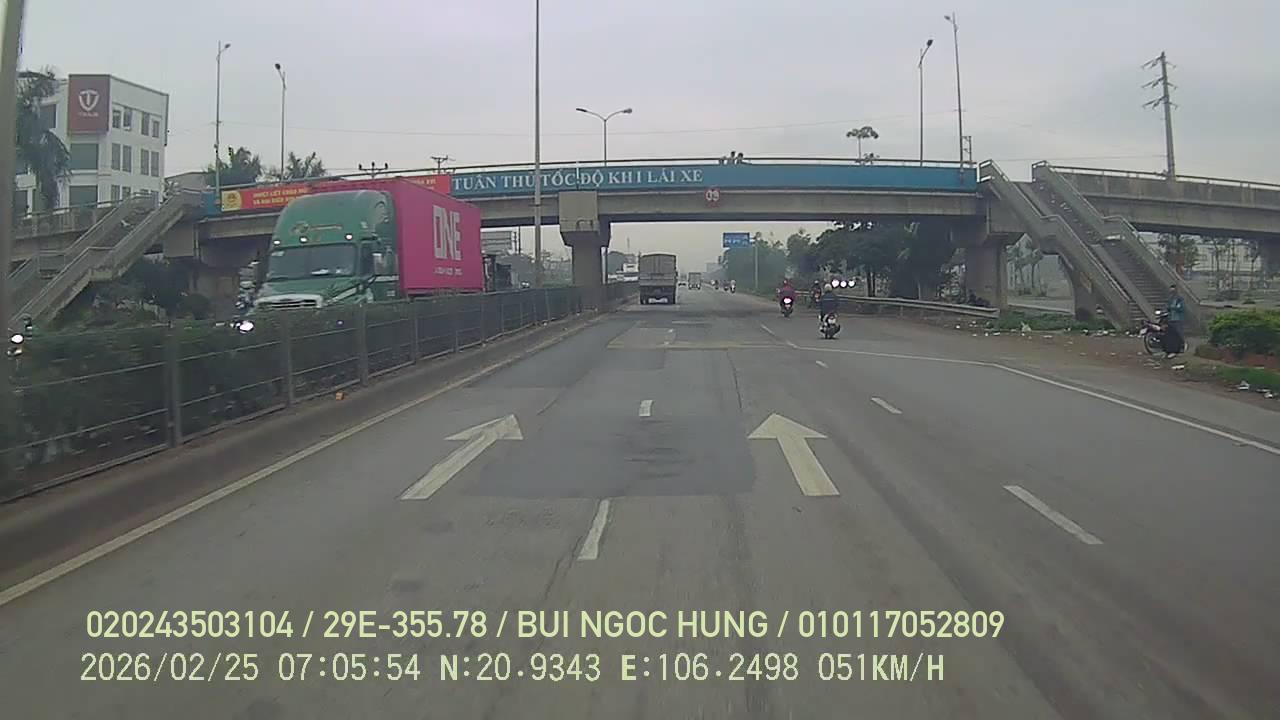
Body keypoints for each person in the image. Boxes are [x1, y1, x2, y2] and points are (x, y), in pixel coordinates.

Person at [1163, 283, 1187, 355]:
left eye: (1173, 290)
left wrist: (1173, 308)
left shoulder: (1180, 299)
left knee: (1179, 333)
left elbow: (1181, 308)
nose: (1172, 292)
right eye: (1171, 290)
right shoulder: (1170, 299)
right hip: (1171, 318)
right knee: (1172, 334)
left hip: (1178, 318)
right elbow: (1167, 307)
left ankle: (1182, 345)